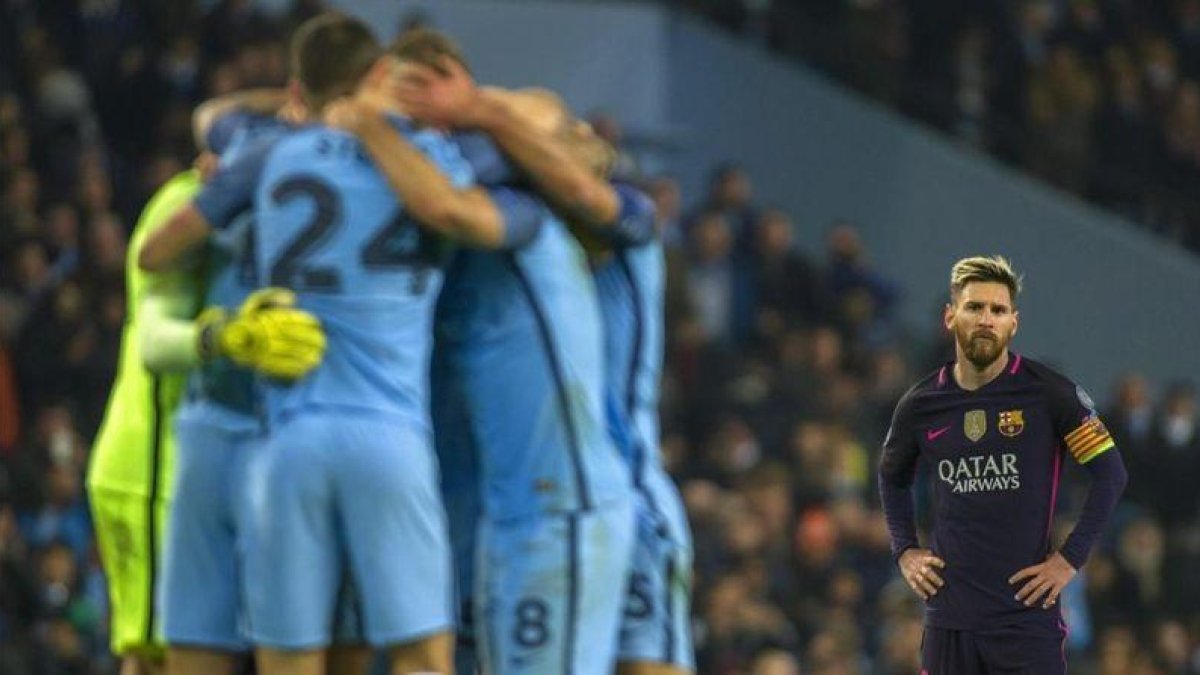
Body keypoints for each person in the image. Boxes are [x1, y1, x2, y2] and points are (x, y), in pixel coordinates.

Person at [139, 12, 540, 675]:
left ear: (300, 87)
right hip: (389, 436)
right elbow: (530, 141)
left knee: (287, 660)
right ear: (383, 76)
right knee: (419, 658)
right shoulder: (439, 158)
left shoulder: (267, 153)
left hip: (285, 441)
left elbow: (161, 244)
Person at [389, 35, 697, 674]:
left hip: (624, 489)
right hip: (513, 494)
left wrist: (482, 112)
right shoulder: (510, 227)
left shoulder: (624, 218)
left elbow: (578, 193)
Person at [86, 165, 322, 675]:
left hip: (207, 466)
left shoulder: (266, 197)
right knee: (155, 657)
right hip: (150, 468)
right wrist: (224, 338)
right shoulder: (186, 204)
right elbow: (153, 339)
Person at [878, 255, 1128, 675]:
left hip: (1025, 619)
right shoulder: (921, 404)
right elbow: (891, 476)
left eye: (998, 310)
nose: (986, 319)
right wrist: (904, 549)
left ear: (1014, 322)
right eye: (974, 307)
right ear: (950, 316)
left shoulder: (1049, 394)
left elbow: (1111, 474)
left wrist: (1069, 559)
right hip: (949, 620)